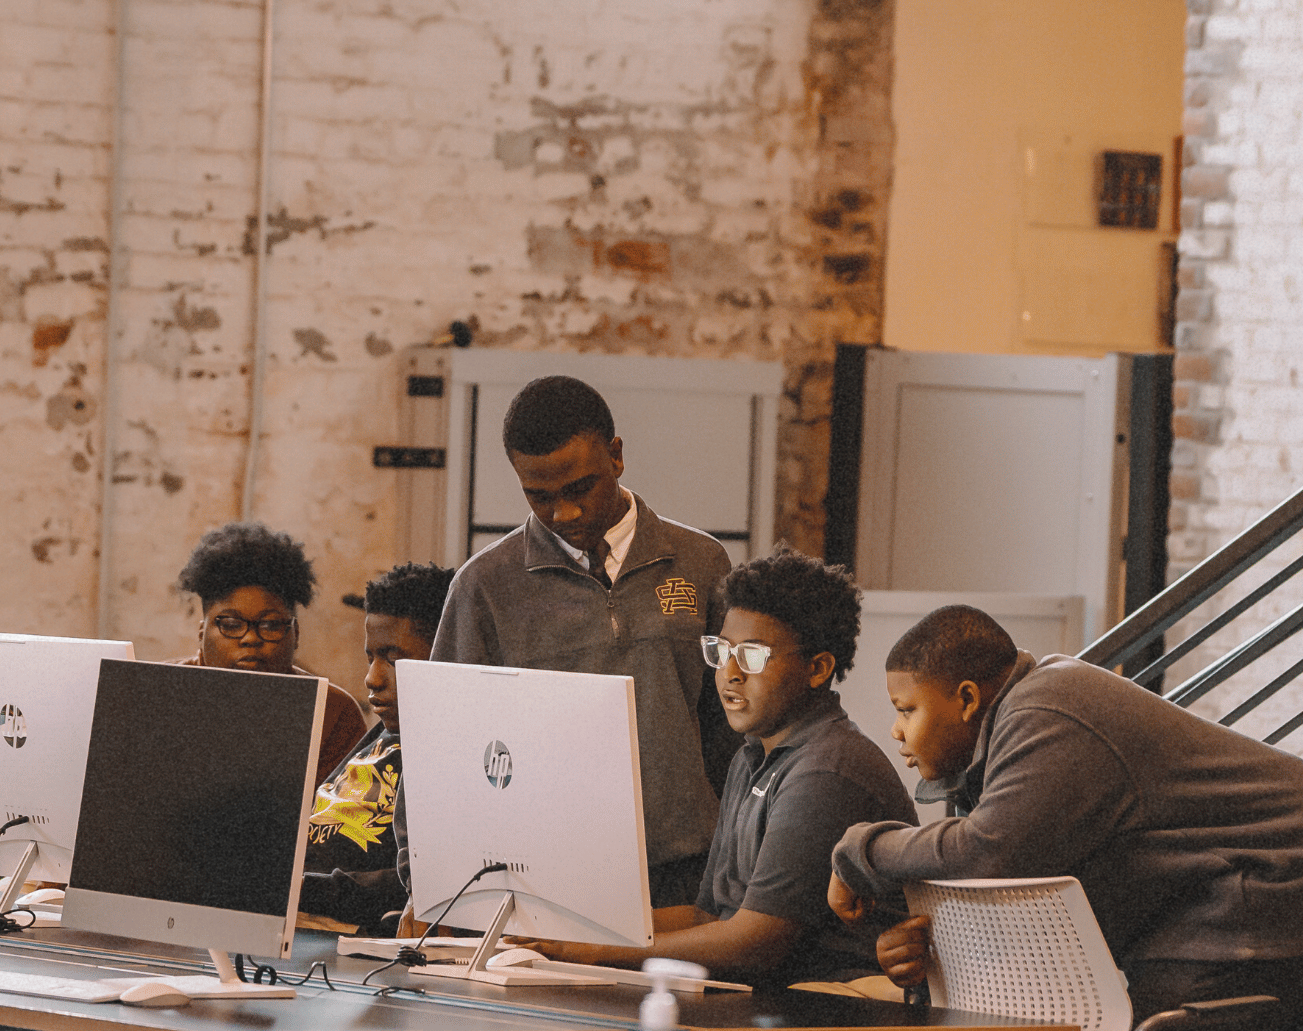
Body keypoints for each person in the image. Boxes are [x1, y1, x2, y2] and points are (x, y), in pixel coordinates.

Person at [829, 605, 1303, 1031]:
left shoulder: (1047, 711)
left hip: (1272, 893)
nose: (897, 731)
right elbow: (1009, 893)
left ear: (965, 698)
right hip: (1215, 912)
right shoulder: (1010, 737)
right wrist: (922, 945)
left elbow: (988, 852)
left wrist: (860, 849)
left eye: (907, 710)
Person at [502, 549, 912, 985]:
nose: (729, 673)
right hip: (763, 1000)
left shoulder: (825, 771)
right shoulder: (753, 754)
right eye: (721, 651)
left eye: (752, 656)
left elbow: (756, 941)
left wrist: (593, 952)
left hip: (831, 1008)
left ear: (818, 668)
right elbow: (706, 914)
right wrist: (570, 929)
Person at [432, 376, 736, 906]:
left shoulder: (701, 563)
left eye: (579, 489)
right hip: (547, 874)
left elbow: (735, 726)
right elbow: (441, 749)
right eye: (539, 496)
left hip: (691, 868)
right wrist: (431, 881)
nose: (563, 514)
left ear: (616, 457)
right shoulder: (485, 587)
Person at [298, 562, 454, 936]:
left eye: (393, 659)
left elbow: (416, 880)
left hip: (333, 928)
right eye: (371, 657)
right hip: (287, 909)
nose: (372, 678)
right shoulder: (383, 733)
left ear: (446, 653)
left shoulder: (451, 755)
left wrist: (296, 887)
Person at [176, 522, 369, 786]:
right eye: (231, 625)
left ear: (296, 634)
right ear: (202, 633)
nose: (251, 638)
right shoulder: (158, 695)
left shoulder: (332, 712)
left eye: (270, 625)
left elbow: (341, 819)